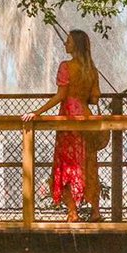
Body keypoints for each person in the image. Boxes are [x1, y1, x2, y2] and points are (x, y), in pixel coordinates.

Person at [23, 29, 102, 223]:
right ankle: (95, 211)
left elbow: (61, 95)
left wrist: (37, 112)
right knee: (88, 163)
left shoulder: (66, 66)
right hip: (86, 118)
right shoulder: (91, 69)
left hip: (68, 119)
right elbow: (95, 98)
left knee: (67, 163)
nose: (65, 44)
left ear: (76, 45)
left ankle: (72, 212)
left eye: (68, 41)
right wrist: (82, 95)